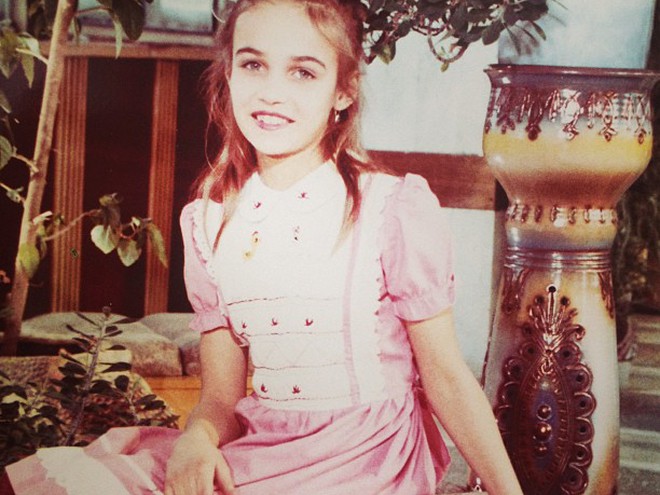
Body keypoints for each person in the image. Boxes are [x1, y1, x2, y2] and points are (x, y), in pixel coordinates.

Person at [4, 0, 524, 494]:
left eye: (303, 72)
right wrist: (198, 437)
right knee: (83, 479)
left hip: (365, 459)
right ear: (229, 74)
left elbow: (446, 378)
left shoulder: (390, 209)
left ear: (344, 90)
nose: (272, 93)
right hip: (264, 447)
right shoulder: (210, 222)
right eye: (254, 65)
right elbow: (220, 398)